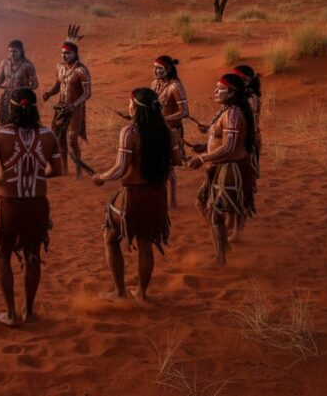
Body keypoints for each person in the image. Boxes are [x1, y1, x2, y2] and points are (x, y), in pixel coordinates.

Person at [0, 88, 62, 327]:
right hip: (37, 206)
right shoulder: (49, 135)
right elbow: (57, 170)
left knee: (3, 255)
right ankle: (28, 311)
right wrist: (37, 173)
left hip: (9, 206)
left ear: (10, 108)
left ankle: (11, 314)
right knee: (33, 256)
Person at [92, 88, 181, 301]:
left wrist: (101, 177)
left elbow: (120, 169)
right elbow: (177, 160)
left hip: (134, 197)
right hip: (158, 196)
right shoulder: (169, 132)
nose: (128, 107)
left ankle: (120, 292)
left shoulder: (130, 133)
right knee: (145, 244)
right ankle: (142, 292)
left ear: (137, 108)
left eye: (130, 104)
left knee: (111, 239)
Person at [187, 74, 256, 265]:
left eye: (220, 89)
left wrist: (202, 158)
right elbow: (221, 142)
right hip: (219, 169)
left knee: (215, 214)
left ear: (232, 92)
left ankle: (221, 259)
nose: (215, 91)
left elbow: (229, 148)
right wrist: (205, 147)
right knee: (201, 203)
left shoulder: (233, 113)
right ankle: (223, 245)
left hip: (230, 171)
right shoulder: (227, 110)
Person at [42, 34, 91, 178]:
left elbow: (88, 94)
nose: (64, 56)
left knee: (71, 138)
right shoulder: (59, 67)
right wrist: (49, 93)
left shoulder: (81, 70)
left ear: (75, 54)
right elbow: (58, 86)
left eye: (68, 53)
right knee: (58, 138)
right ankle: (64, 168)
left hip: (75, 109)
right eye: (63, 53)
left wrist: (74, 105)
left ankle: (78, 170)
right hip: (61, 108)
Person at [151, 55, 189, 207]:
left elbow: (185, 111)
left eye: (159, 69)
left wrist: (165, 120)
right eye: (154, 68)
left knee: (168, 167)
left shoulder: (175, 87)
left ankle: (172, 199)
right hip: (155, 130)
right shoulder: (154, 84)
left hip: (171, 131)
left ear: (168, 70)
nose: (156, 71)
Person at [0, 39, 39, 126]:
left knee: (20, 125)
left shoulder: (28, 65)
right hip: (7, 99)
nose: (12, 54)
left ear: (21, 51)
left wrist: (23, 89)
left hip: (21, 101)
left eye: (15, 51)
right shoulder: (5, 63)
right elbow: (1, 77)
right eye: (10, 51)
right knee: (4, 124)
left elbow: (35, 84)